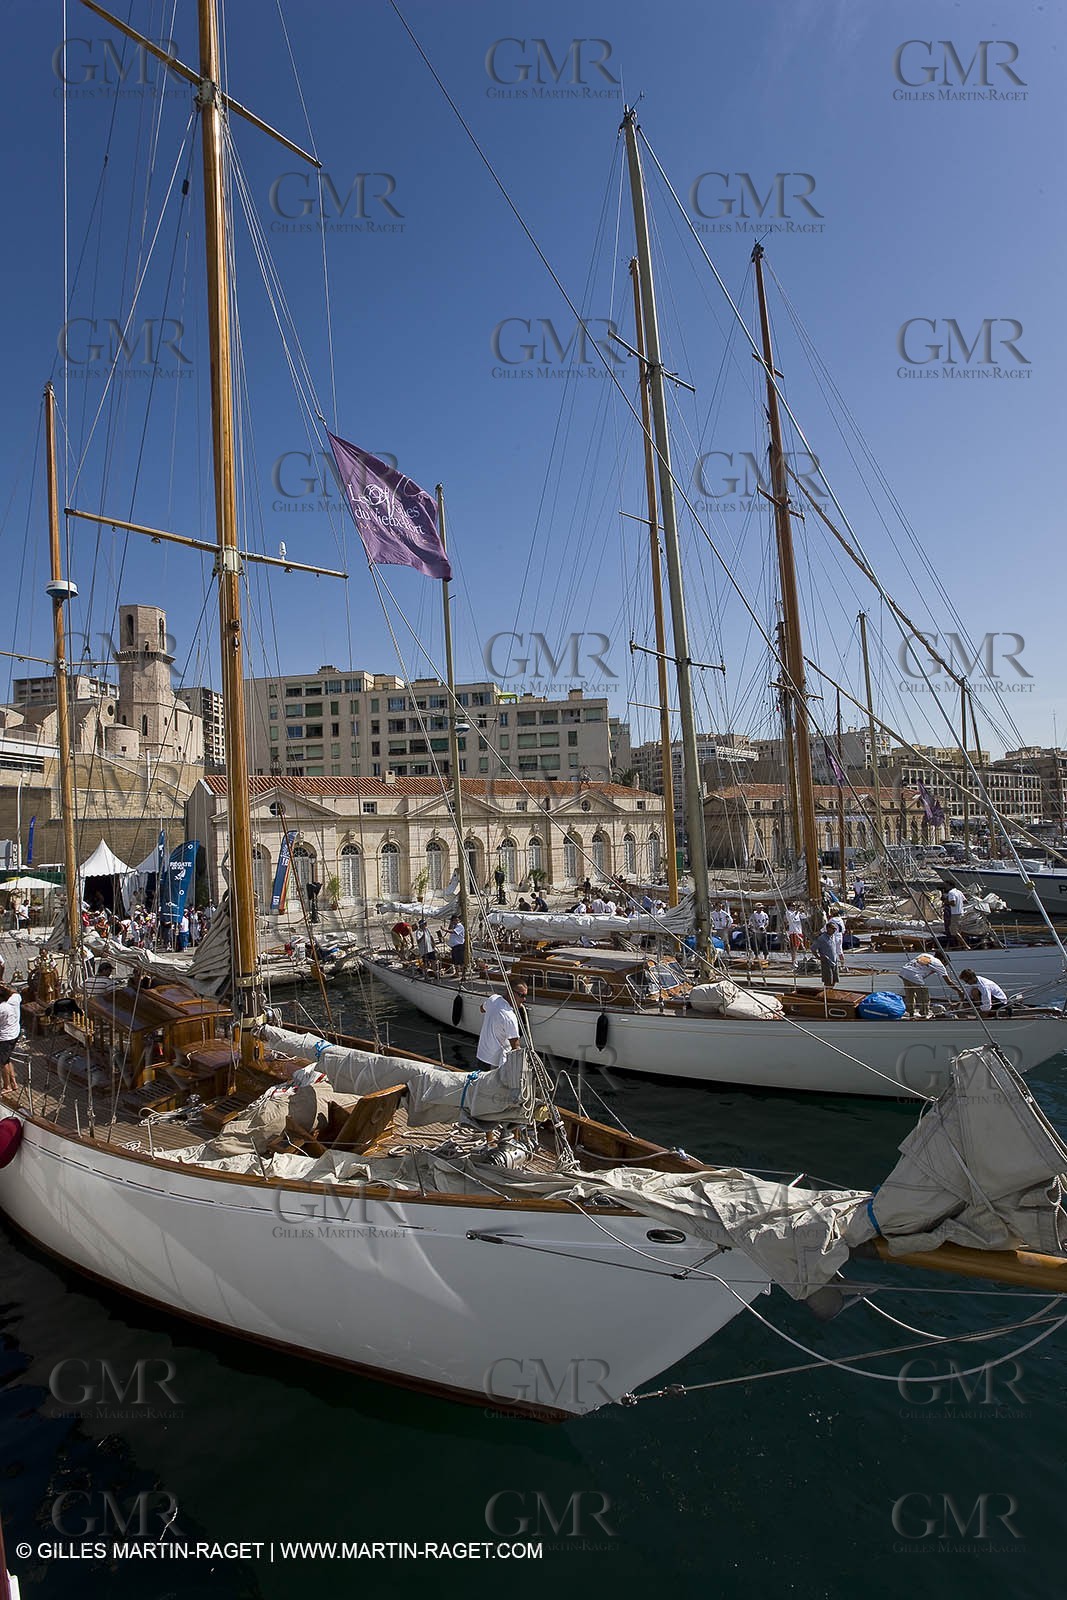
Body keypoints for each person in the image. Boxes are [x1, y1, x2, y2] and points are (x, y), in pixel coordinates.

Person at [899, 952, 964, 1017]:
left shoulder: (925, 955)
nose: (945, 966)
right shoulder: (939, 964)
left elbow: (921, 966)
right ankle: (924, 1014)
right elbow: (949, 982)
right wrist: (959, 990)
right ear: (944, 960)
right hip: (914, 975)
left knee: (910, 994)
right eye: (946, 964)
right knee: (924, 996)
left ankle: (910, 1012)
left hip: (904, 971)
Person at [476, 988, 521, 1068]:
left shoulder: (493, 998)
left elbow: (481, 1009)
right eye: (521, 995)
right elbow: (515, 1048)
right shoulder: (510, 1017)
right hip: (494, 1062)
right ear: (511, 993)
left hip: (482, 1056)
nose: (524, 999)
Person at [0, 984, 22, 1094]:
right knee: (7, 1059)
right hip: (14, 1033)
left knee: (2, 1062)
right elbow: (15, 992)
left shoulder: (2, 1008)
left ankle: (6, 1086)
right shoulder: (15, 999)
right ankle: (13, 1083)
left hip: (5, 1037)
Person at [811, 924, 840, 988]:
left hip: (834, 961)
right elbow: (813, 948)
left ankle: (831, 991)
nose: (834, 930)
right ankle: (826, 994)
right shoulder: (821, 938)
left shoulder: (833, 936)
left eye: (835, 929)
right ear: (828, 928)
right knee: (828, 981)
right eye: (833, 929)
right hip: (827, 962)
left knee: (834, 979)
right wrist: (818, 957)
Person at [943, 884, 969, 948]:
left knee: (953, 931)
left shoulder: (951, 892)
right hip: (961, 913)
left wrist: (946, 902)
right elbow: (965, 901)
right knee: (959, 931)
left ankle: (966, 946)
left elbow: (953, 903)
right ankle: (960, 946)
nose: (945, 887)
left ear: (950, 885)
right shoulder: (959, 892)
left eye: (946, 885)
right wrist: (959, 904)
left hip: (955, 914)